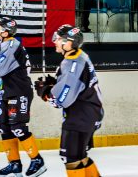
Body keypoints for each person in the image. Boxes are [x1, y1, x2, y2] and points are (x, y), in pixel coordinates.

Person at [0, 17, 47, 177]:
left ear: (6, 32)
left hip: (19, 91)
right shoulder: (2, 45)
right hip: (6, 91)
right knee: (4, 127)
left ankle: (37, 160)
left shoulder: (13, 46)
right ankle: (14, 163)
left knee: (17, 127)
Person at [34, 25, 103, 177]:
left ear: (69, 43)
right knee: (80, 156)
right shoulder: (79, 56)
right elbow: (74, 84)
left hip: (79, 117)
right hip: (90, 113)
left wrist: (44, 92)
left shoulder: (73, 64)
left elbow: (60, 101)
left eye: (58, 39)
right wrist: (56, 83)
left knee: (71, 158)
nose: (55, 42)